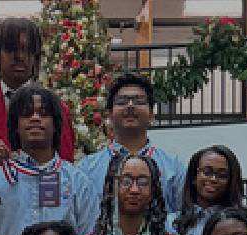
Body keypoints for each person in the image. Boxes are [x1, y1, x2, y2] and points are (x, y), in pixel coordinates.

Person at [0, 86, 99, 235]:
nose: (35, 118)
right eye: (26, 113)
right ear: (15, 126)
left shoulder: (78, 182)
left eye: (43, 113)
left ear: (55, 125)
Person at [0, 17, 76, 161]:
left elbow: (65, 165)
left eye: (27, 50)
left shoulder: (57, 109)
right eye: (11, 50)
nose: (20, 57)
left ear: (35, 56)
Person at [77, 72, 186, 212]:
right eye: (121, 102)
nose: (130, 106)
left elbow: (184, 217)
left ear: (151, 114)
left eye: (139, 101)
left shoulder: (174, 167)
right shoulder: (87, 169)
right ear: (109, 114)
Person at [169, 145, 247, 235]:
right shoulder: (171, 222)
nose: (213, 179)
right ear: (194, 177)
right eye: (207, 172)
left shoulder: (244, 220)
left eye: (222, 175)